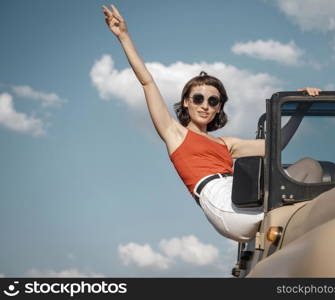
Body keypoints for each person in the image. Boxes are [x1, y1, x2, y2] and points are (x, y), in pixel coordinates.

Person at [102, 5, 322, 242]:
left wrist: (301, 108)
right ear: (186, 102)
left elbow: (275, 146)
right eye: (198, 98)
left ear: (218, 107)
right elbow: (147, 82)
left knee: (310, 167)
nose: (205, 105)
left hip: (243, 194)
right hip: (222, 202)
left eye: (213, 100)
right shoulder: (174, 133)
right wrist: (123, 36)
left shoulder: (226, 144)